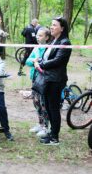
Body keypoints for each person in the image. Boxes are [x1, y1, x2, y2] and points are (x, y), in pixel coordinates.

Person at [34, 17, 72, 145]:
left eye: (54, 25)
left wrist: (42, 64)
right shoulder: (53, 41)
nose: (51, 27)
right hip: (47, 79)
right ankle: (51, 133)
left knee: (54, 108)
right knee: (49, 108)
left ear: (62, 28)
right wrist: (39, 61)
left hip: (56, 80)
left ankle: (55, 137)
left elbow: (58, 60)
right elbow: (45, 56)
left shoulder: (65, 42)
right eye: (51, 25)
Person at [26, 27, 52, 138]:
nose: (37, 37)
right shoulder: (36, 48)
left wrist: (37, 61)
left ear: (47, 37)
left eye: (40, 35)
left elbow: (44, 63)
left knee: (43, 104)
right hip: (35, 79)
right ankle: (40, 124)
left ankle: (46, 127)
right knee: (36, 103)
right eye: (37, 35)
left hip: (44, 80)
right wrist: (34, 61)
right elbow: (28, 61)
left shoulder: (49, 48)